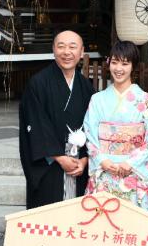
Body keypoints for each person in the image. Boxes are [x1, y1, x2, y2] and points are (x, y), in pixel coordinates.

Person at [19, 30, 95, 209]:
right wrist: (60, 157)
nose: (66, 52)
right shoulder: (38, 83)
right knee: (48, 217)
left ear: (82, 52)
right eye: (61, 46)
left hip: (79, 166)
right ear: (53, 50)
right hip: (50, 165)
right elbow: (36, 125)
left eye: (72, 47)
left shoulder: (86, 87)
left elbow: (94, 127)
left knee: (78, 218)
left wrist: (84, 160)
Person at [83, 40, 148, 211]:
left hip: (133, 171)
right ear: (109, 62)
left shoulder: (146, 101)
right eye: (115, 62)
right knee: (103, 220)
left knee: (133, 224)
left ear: (133, 66)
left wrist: (131, 163)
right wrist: (102, 160)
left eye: (125, 63)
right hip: (104, 170)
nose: (119, 68)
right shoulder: (97, 99)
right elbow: (89, 133)